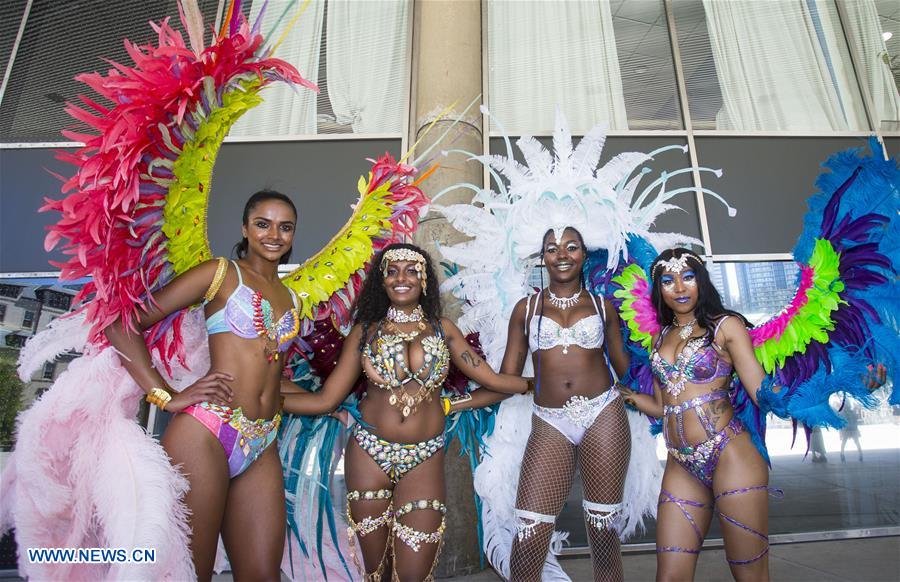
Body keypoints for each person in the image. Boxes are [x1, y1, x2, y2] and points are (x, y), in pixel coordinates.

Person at [280, 242, 529, 582]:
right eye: (392, 271)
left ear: (424, 280)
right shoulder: (365, 332)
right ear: (381, 280)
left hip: (424, 457)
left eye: (412, 271)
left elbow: (494, 382)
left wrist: (536, 385)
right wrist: (261, 399)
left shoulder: (443, 330)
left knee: (414, 573)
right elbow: (326, 400)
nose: (402, 278)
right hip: (368, 454)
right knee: (377, 573)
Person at [105, 190, 300, 581]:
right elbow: (122, 326)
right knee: (192, 572)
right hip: (207, 432)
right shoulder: (220, 274)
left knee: (264, 575)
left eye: (285, 227)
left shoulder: (292, 297)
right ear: (245, 228)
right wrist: (165, 395)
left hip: (262, 440)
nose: (273, 235)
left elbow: (270, 375)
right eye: (263, 224)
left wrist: (334, 402)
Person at [450, 226, 633, 582]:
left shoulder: (603, 306)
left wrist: (661, 387)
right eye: (552, 248)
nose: (562, 255)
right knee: (529, 532)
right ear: (542, 258)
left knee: (602, 531)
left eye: (571, 247)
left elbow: (626, 369)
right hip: (550, 421)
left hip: (603, 414)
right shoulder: (527, 308)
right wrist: (449, 405)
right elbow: (505, 380)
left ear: (584, 254)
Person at [618, 248, 777, 581]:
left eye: (688, 277)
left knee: (750, 575)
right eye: (668, 280)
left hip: (730, 454)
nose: (679, 287)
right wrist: (627, 395)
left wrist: (811, 392)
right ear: (658, 289)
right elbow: (663, 406)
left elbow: (760, 389)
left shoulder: (726, 326)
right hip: (681, 462)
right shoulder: (659, 336)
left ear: (701, 281)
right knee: (669, 576)